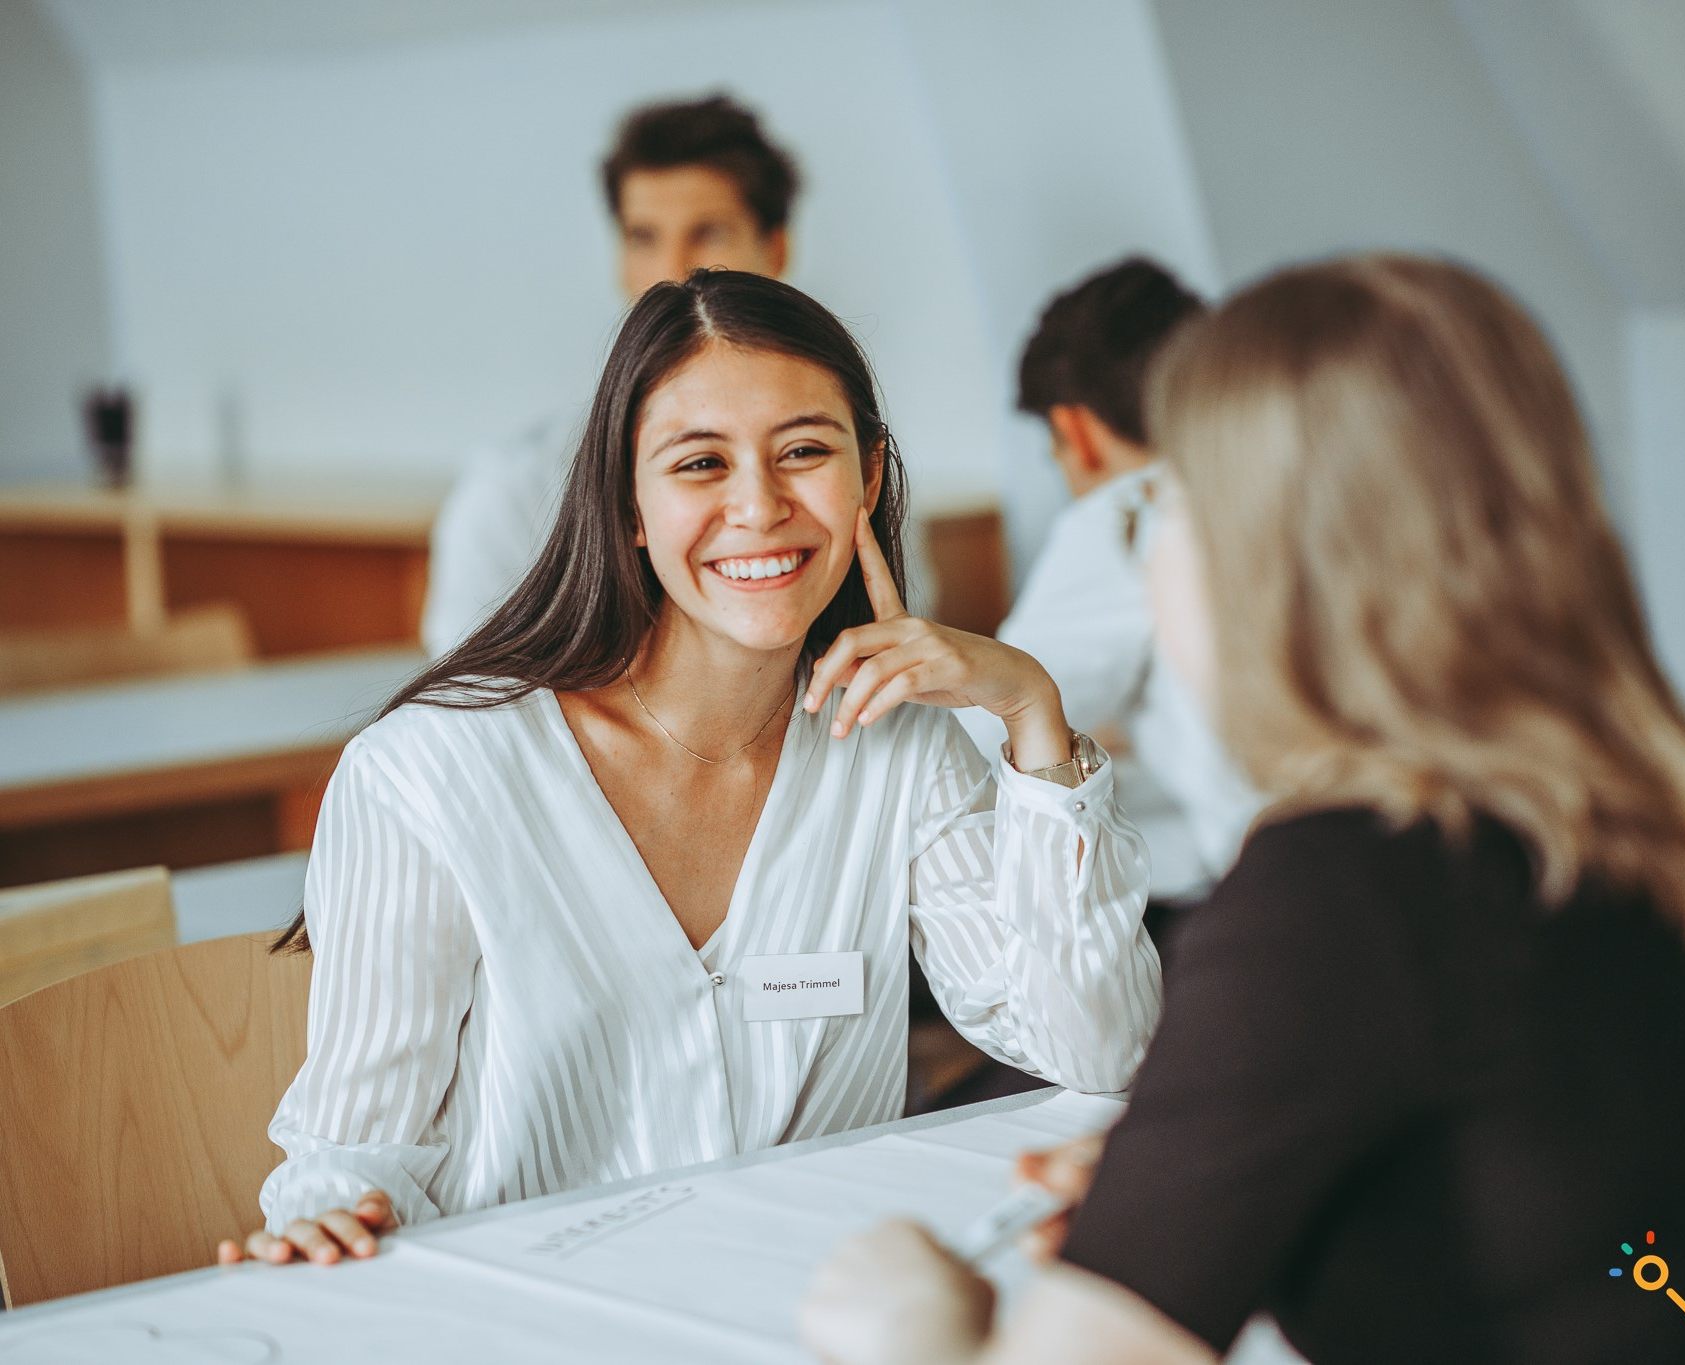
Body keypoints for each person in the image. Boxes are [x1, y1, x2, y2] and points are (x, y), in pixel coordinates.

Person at [800, 254, 1685, 1364]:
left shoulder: (1337, 894)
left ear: (1268, 562)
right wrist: (1349, 1197)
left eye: (1167, 510)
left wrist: (914, 1334)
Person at [218, 270, 1160, 1268]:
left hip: (803, 1316)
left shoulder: (899, 748)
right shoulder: (429, 773)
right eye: (699, 464)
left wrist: (1028, 709)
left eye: (803, 452)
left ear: (868, 480)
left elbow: (1100, 1050)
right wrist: (321, 1226)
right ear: (626, 502)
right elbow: (353, 1155)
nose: (758, 507)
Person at [420, 94, 799, 654]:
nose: (673, 273)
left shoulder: (837, 479)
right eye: (643, 238)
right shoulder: (512, 488)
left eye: (709, 233)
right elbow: (466, 699)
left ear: (775, 251)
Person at [964, 258, 1257, 914]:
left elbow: (988, 732)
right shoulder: (1278, 477)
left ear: (1077, 431)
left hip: (1278, 882)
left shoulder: (1131, 510)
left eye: (1056, 456)